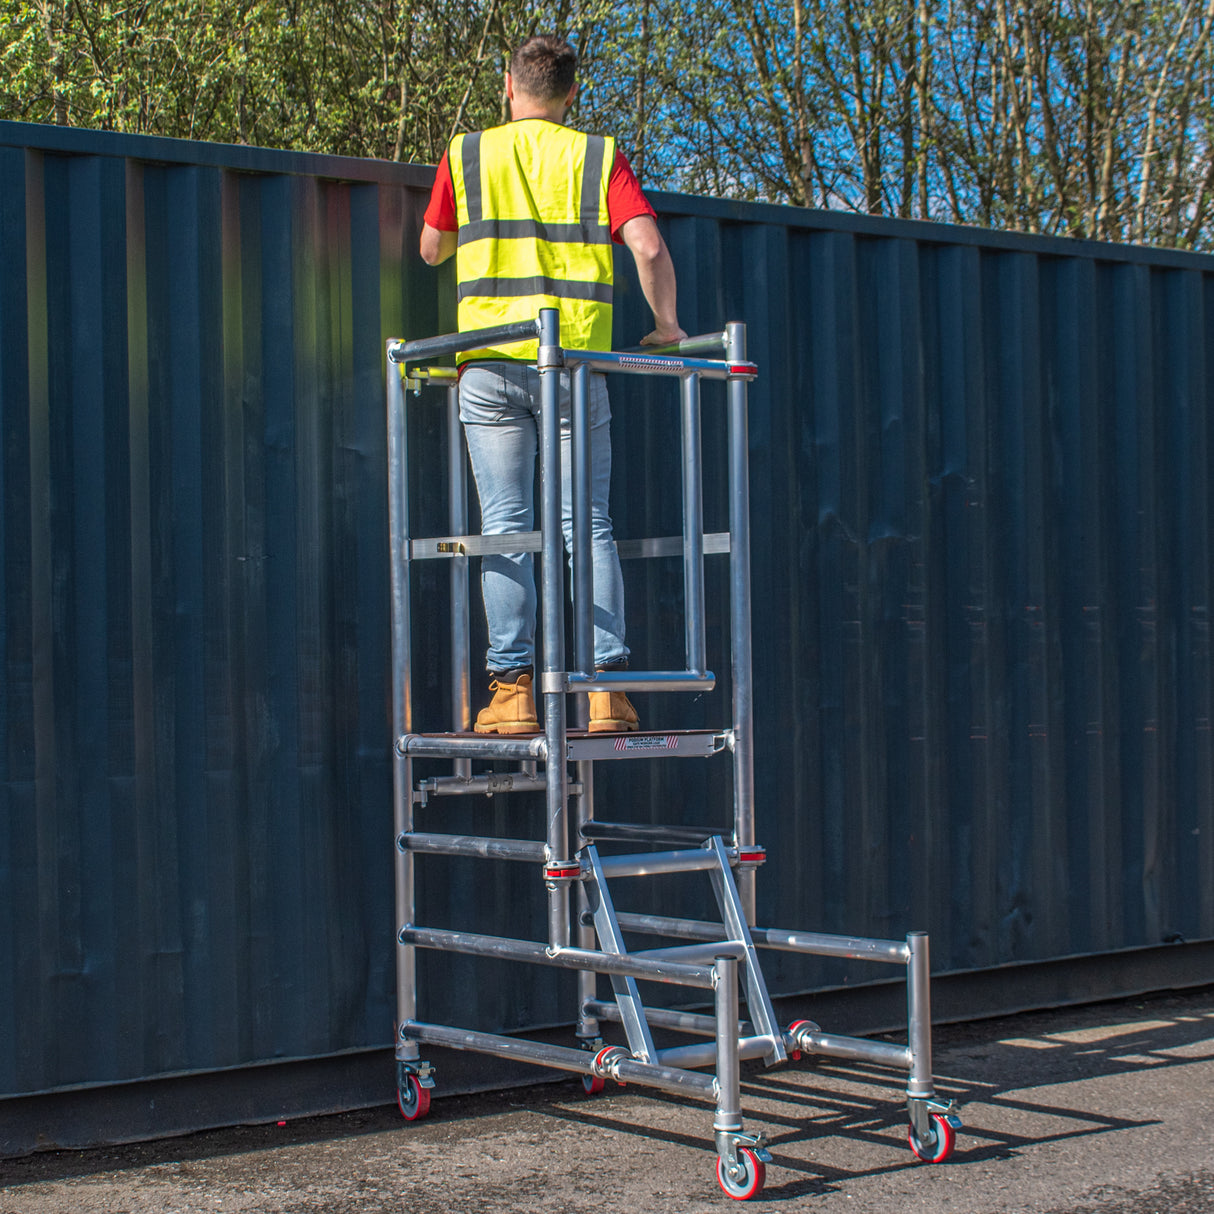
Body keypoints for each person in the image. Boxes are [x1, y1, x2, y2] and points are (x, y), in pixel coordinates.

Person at [420, 34, 686, 735]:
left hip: (487, 366)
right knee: (586, 524)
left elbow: (430, 248)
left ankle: (511, 695)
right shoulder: (597, 156)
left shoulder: (467, 153)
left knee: (506, 530)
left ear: (509, 87)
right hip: (570, 366)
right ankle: (605, 693)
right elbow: (649, 245)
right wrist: (667, 325)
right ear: (572, 94)